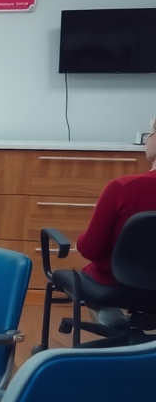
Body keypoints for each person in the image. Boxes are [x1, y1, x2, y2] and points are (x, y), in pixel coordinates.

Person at [74, 121, 156, 324]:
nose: (148, 139)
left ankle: (114, 327)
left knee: (92, 273)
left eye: (151, 132)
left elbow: (90, 249)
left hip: (115, 285)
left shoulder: (123, 188)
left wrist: (81, 240)